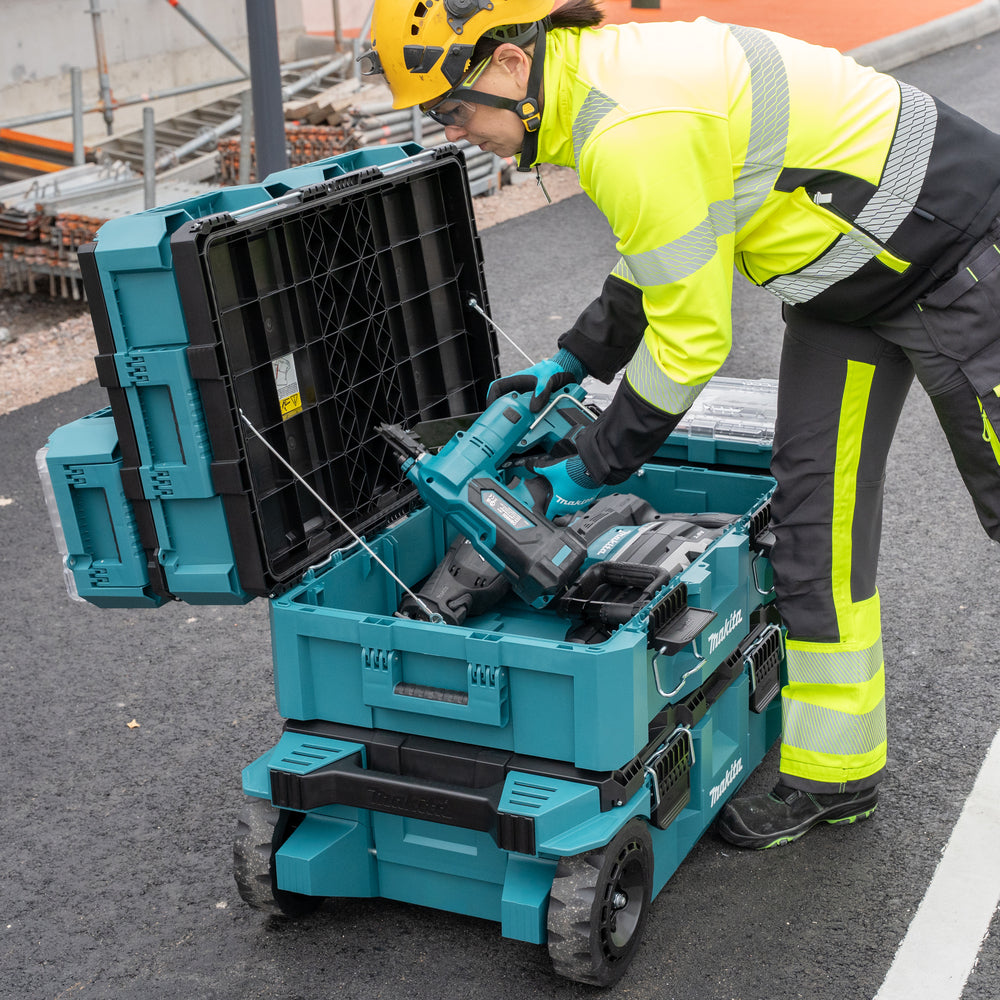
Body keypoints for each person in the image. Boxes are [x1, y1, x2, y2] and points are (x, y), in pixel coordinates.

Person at [362, 0, 1000, 848]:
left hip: (956, 249)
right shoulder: (599, 93)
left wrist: (583, 471)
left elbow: (693, 339)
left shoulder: (628, 125)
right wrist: (574, 359)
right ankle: (837, 775)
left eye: (451, 107)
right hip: (844, 288)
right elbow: (667, 247)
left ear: (512, 65)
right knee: (816, 525)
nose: (452, 130)